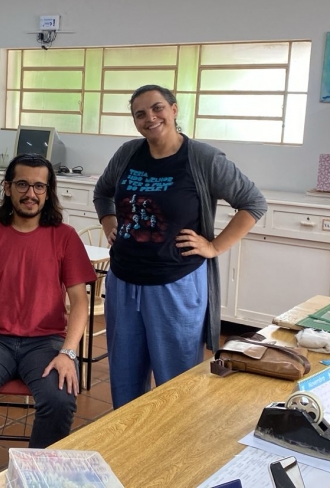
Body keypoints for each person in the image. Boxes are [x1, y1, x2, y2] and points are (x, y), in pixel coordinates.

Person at [93, 84, 267, 409]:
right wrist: (109, 222)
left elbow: (253, 203)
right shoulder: (128, 154)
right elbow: (102, 192)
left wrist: (214, 247)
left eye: (157, 108)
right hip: (123, 282)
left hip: (175, 284)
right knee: (125, 379)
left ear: (174, 110)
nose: (150, 118)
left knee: (177, 382)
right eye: (140, 114)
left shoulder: (202, 159)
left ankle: (175, 451)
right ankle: (128, 447)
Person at [0, 153, 97, 487]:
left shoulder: (65, 236)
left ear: (48, 191)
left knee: (60, 399)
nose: (31, 193)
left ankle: (35, 479)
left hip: (45, 343)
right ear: (8, 188)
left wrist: (68, 353)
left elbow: (80, 303)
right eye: (23, 184)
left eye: (39, 186)